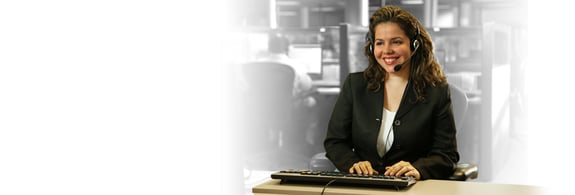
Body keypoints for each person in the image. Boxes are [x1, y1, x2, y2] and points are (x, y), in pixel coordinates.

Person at [323, 5, 459, 180]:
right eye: (380, 43)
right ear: (372, 48)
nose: (386, 50)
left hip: (410, 187)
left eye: (396, 42)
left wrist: (418, 169)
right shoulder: (355, 85)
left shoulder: (436, 92)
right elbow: (335, 142)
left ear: (414, 45)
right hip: (363, 184)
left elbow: (446, 155)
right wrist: (353, 163)